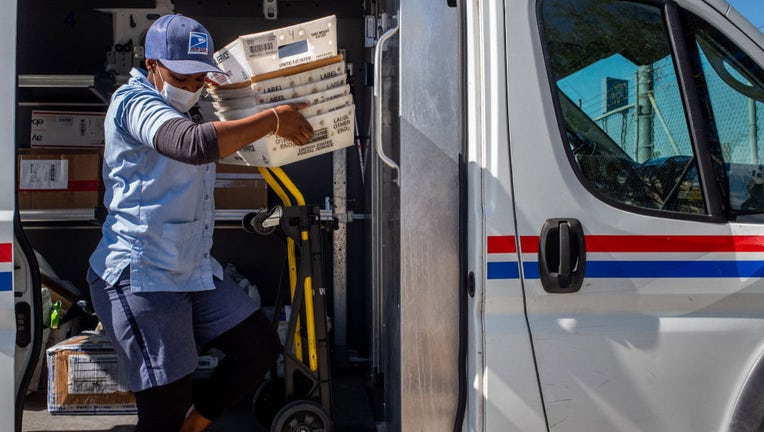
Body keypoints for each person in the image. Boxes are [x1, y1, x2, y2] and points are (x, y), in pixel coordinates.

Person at [86, 14, 314, 432]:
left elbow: (214, 132)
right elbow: (192, 146)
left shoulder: (187, 105)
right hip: (141, 272)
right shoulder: (134, 102)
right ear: (152, 63)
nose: (192, 87)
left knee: (258, 348)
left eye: (199, 79)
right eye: (182, 76)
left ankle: (193, 427)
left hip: (190, 270)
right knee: (165, 405)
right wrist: (272, 120)